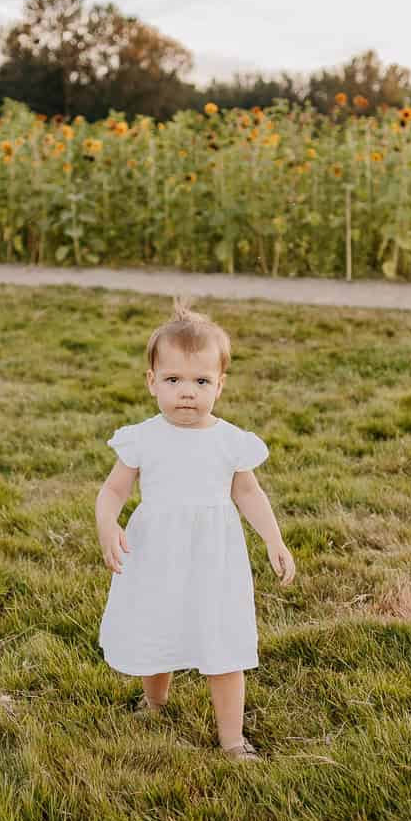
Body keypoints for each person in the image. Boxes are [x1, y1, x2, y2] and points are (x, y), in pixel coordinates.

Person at [94, 298, 295, 762]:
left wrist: (273, 539)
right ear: (152, 383)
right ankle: (155, 702)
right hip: (156, 551)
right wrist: (108, 524)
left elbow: (248, 494)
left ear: (220, 385)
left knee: (222, 638)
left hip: (214, 557)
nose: (187, 392)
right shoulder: (143, 437)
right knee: (156, 625)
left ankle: (232, 740)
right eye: (173, 380)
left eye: (201, 381)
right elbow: (113, 491)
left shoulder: (228, 441)